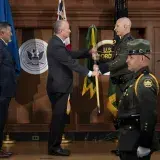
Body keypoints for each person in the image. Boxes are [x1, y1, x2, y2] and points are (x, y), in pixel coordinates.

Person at [46, 20, 98, 156]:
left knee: (59, 117)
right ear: (61, 31)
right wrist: (90, 73)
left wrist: (88, 52)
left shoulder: (57, 43)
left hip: (59, 86)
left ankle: (53, 146)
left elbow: (71, 54)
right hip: (59, 86)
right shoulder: (56, 45)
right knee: (58, 118)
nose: (69, 31)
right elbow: (70, 62)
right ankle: (54, 148)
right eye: (68, 29)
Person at [95, 17, 134, 156]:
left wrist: (101, 68)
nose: (115, 28)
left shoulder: (128, 42)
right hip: (120, 83)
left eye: (117, 26)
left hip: (126, 84)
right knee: (121, 116)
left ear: (126, 26)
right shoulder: (121, 41)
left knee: (126, 116)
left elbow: (121, 61)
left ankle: (127, 147)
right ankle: (123, 146)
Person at [117, 39, 159, 160]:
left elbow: (149, 114)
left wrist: (145, 144)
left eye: (130, 57)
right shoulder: (135, 80)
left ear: (141, 58)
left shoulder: (145, 81)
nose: (127, 60)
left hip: (137, 141)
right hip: (129, 140)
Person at [0, 22, 17, 158]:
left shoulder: (3, 47)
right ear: (2, 33)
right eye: (9, 31)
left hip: (4, 93)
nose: (11, 34)